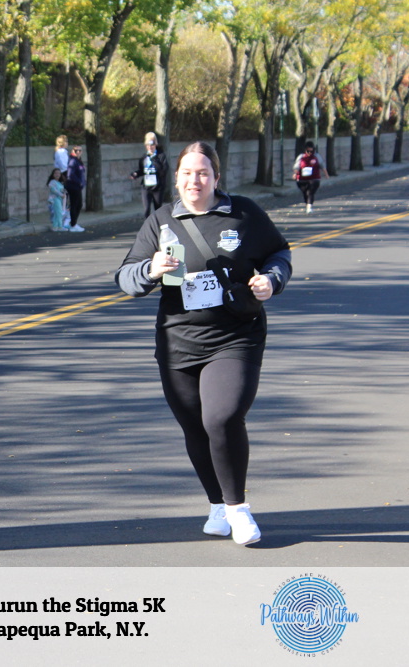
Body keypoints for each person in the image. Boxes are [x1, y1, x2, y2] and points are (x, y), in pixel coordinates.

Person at [115, 141, 292, 547]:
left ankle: (238, 509)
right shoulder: (161, 221)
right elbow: (125, 278)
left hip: (235, 336)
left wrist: (272, 280)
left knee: (222, 417)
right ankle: (217, 505)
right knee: (194, 426)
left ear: (216, 177)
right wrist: (150, 269)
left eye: (203, 173)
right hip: (178, 341)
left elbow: (278, 252)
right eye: (187, 173)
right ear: (176, 178)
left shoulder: (243, 213)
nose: (194, 180)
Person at [129, 132, 169, 218]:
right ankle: (147, 225)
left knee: (158, 209)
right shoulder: (144, 157)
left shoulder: (161, 156)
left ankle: (158, 224)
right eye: (148, 145)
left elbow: (163, 171)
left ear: (156, 145)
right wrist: (136, 174)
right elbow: (142, 170)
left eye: (152, 145)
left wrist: (154, 159)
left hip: (157, 187)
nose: (150, 147)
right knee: (146, 209)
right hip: (146, 187)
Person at [292, 140, 329, 213]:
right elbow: (296, 166)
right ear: (305, 150)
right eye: (308, 151)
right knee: (305, 193)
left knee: (310, 192)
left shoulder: (316, 156)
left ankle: (309, 206)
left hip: (314, 178)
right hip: (302, 179)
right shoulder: (301, 157)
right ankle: (308, 204)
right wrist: (295, 173)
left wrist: (326, 174)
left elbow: (322, 165)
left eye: (311, 151)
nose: (309, 153)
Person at [64, 145, 86, 232]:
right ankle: (73, 224)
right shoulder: (73, 161)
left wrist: (83, 182)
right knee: (75, 205)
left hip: (77, 186)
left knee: (78, 205)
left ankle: (73, 223)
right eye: (76, 150)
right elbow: (70, 174)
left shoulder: (78, 161)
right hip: (73, 186)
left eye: (80, 150)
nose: (78, 152)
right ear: (73, 151)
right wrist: (79, 182)